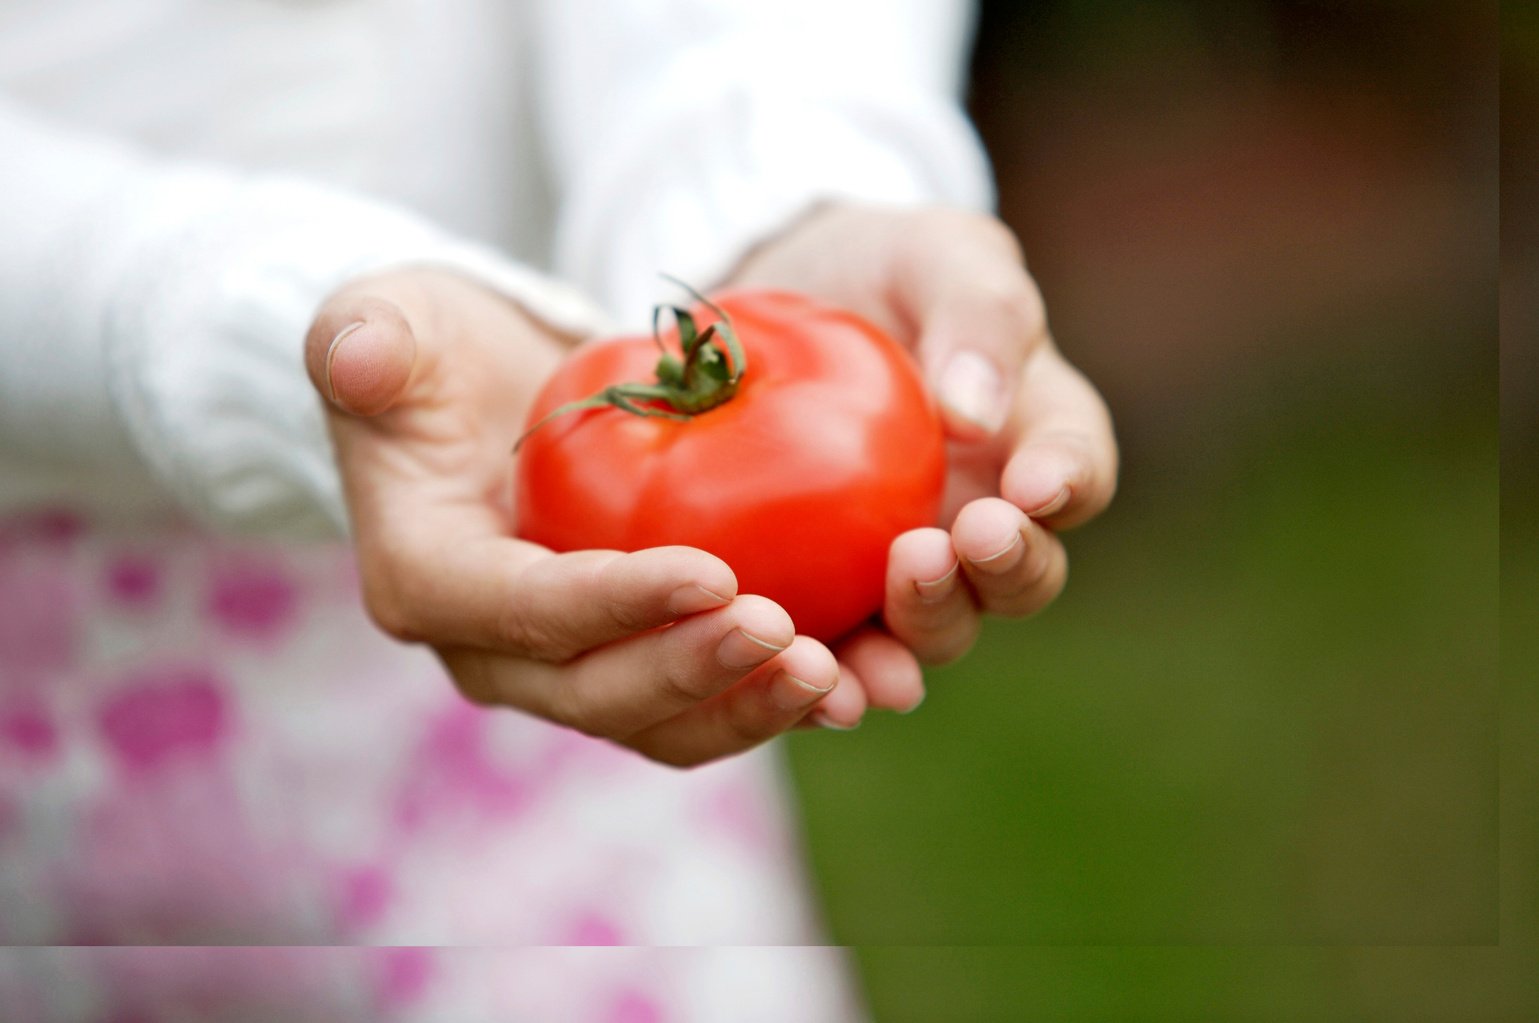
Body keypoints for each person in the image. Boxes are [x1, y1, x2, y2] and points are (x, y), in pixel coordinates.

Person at [0, 0, 1117, 1018]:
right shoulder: (582, 448)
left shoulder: (569, 458)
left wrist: (782, 162)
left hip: (526, 629)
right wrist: (221, 308)